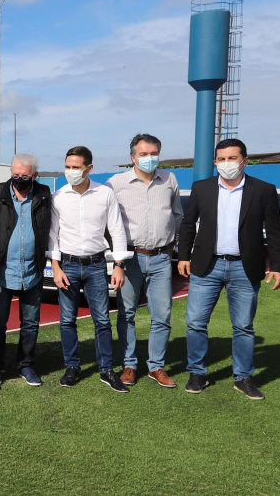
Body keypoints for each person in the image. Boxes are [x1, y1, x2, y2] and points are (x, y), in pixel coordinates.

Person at [178, 138, 280, 400]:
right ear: (215, 162)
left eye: (233, 158)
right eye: (222, 159)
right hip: (207, 266)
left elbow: (274, 231)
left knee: (243, 326)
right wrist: (183, 256)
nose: (227, 164)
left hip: (244, 268)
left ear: (244, 160)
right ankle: (197, 373)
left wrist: (279, 265)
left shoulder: (263, 190)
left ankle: (243, 377)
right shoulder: (202, 188)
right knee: (195, 322)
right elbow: (188, 224)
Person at [48, 146, 132, 392]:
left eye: (76, 167)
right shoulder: (58, 196)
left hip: (97, 265)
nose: (70, 171)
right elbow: (53, 235)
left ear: (89, 168)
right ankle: (72, 367)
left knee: (102, 321)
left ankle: (107, 369)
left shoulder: (105, 194)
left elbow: (117, 230)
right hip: (67, 265)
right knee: (67, 321)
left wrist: (118, 265)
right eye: (68, 167)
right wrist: (55, 267)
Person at [105, 134, 183, 388]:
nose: (149, 158)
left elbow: (177, 216)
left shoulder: (169, 180)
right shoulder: (116, 183)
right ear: (132, 157)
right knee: (126, 314)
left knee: (162, 315)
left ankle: (156, 367)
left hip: (161, 258)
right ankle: (129, 365)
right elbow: (106, 221)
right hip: (130, 259)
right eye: (143, 154)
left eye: (153, 153)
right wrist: (117, 252)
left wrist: (170, 245)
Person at [0, 154, 51, 388]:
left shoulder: (44, 194)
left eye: (24, 176)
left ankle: (26, 365)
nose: (18, 179)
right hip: (3, 273)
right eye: (15, 175)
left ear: (34, 175)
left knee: (31, 324)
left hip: (32, 272)